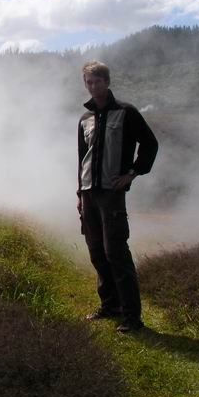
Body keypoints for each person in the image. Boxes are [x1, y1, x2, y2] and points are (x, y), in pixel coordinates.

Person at [77, 60, 158, 333]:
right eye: (88, 82)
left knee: (116, 253)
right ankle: (110, 305)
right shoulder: (85, 119)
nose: (93, 86)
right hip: (89, 194)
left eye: (97, 81)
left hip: (112, 195)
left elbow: (150, 144)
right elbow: (82, 159)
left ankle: (132, 316)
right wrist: (80, 193)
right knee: (97, 252)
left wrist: (133, 173)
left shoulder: (126, 112)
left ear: (107, 82)